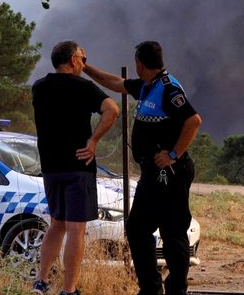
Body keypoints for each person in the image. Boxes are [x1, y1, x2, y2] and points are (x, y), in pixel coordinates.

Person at [84, 41, 202, 295]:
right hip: (151, 173)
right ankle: (150, 288)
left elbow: (193, 121)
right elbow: (116, 83)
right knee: (137, 228)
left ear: (139, 63)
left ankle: (176, 288)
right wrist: (86, 68)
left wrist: (173, 154)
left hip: (170, 172)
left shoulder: (169, 88)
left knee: (173, 232)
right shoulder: (148, 85)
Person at [31, 41, 119, 295]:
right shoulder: (84, 87)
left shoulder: (39, 87)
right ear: (72, 60)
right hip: (78, 166)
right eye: (83, 57)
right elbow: (112, 109)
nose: (84, 62)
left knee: (56, 223)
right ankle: (69, 290)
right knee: (76, 228)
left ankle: (41, 281)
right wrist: (93, 141)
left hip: (50, 166)